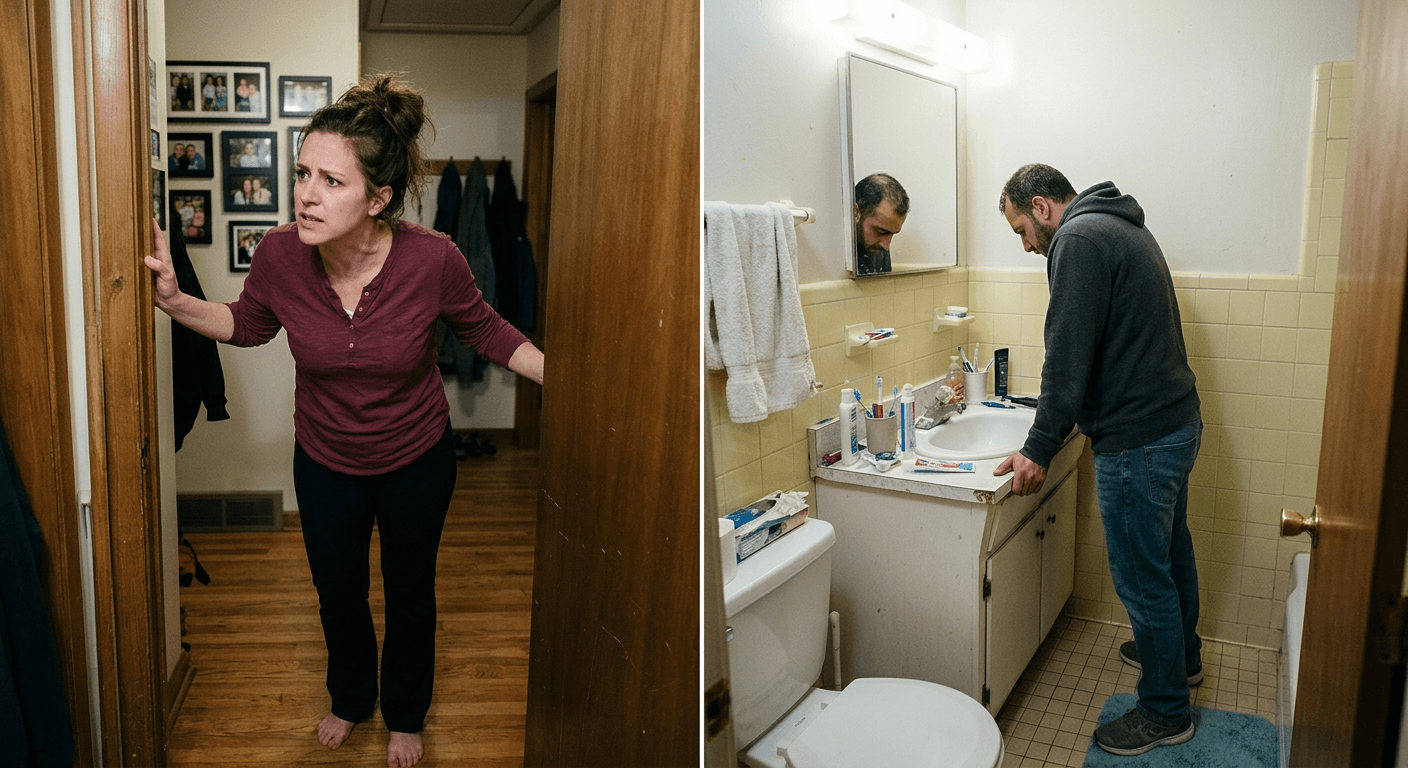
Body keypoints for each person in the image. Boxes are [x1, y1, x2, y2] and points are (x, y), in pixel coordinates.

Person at [144, 73, 545, 768]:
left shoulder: (433, 260)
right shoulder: (279, 256)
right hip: (327, 461)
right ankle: (351, 697)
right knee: (339, 593)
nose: (305, 193)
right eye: (303, 173)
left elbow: (489, 332)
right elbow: (246, 323)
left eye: (331, 181)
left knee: (411, 593)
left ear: (378, 198)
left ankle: (406, 713)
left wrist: (582, 384)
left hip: (418, 457)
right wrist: (178, 302)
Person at [993, 163, 1202, 757]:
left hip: (1138, 440)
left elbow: (1067, 354)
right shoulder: (1121, 223)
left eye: (1020, 231)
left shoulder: (1078, 240)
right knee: (1168, 553)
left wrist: (1037, 447)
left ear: (1040, 207)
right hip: (1175, 421)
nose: (1028, 246)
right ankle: (1180, 657)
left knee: (1142, 580)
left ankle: (1165, 712)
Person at [852, 172, 908, 276]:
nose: (886, 246)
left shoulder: (877, 246)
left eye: (892, 234)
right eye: (881, 232)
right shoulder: (833, 250)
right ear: (855, 213)